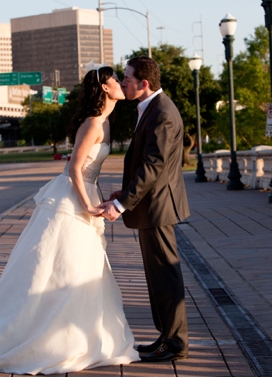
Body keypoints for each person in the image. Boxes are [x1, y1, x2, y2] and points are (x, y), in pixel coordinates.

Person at [0, 67, 139, 375]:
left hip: (87, 191)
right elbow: (74, 168)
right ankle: (35, 336)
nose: (121, 84)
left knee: (78, 267)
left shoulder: (105, 122)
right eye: (116, 80)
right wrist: (87, 206)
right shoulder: (92, 124)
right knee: (54, 266)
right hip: (72, 198)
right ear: (104, 86)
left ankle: (81, 334)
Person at [100, 56, 190, 363]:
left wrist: (122, 204)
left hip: (158, 207)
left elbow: (153, 167)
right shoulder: (151, 108)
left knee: (165, 274)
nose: (124, 83)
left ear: (144, 84)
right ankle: (166, 336)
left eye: (127, 79)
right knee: (157, 276)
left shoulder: (162, 113)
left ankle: (176, 342)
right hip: (152, 205)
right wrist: (123, 193)